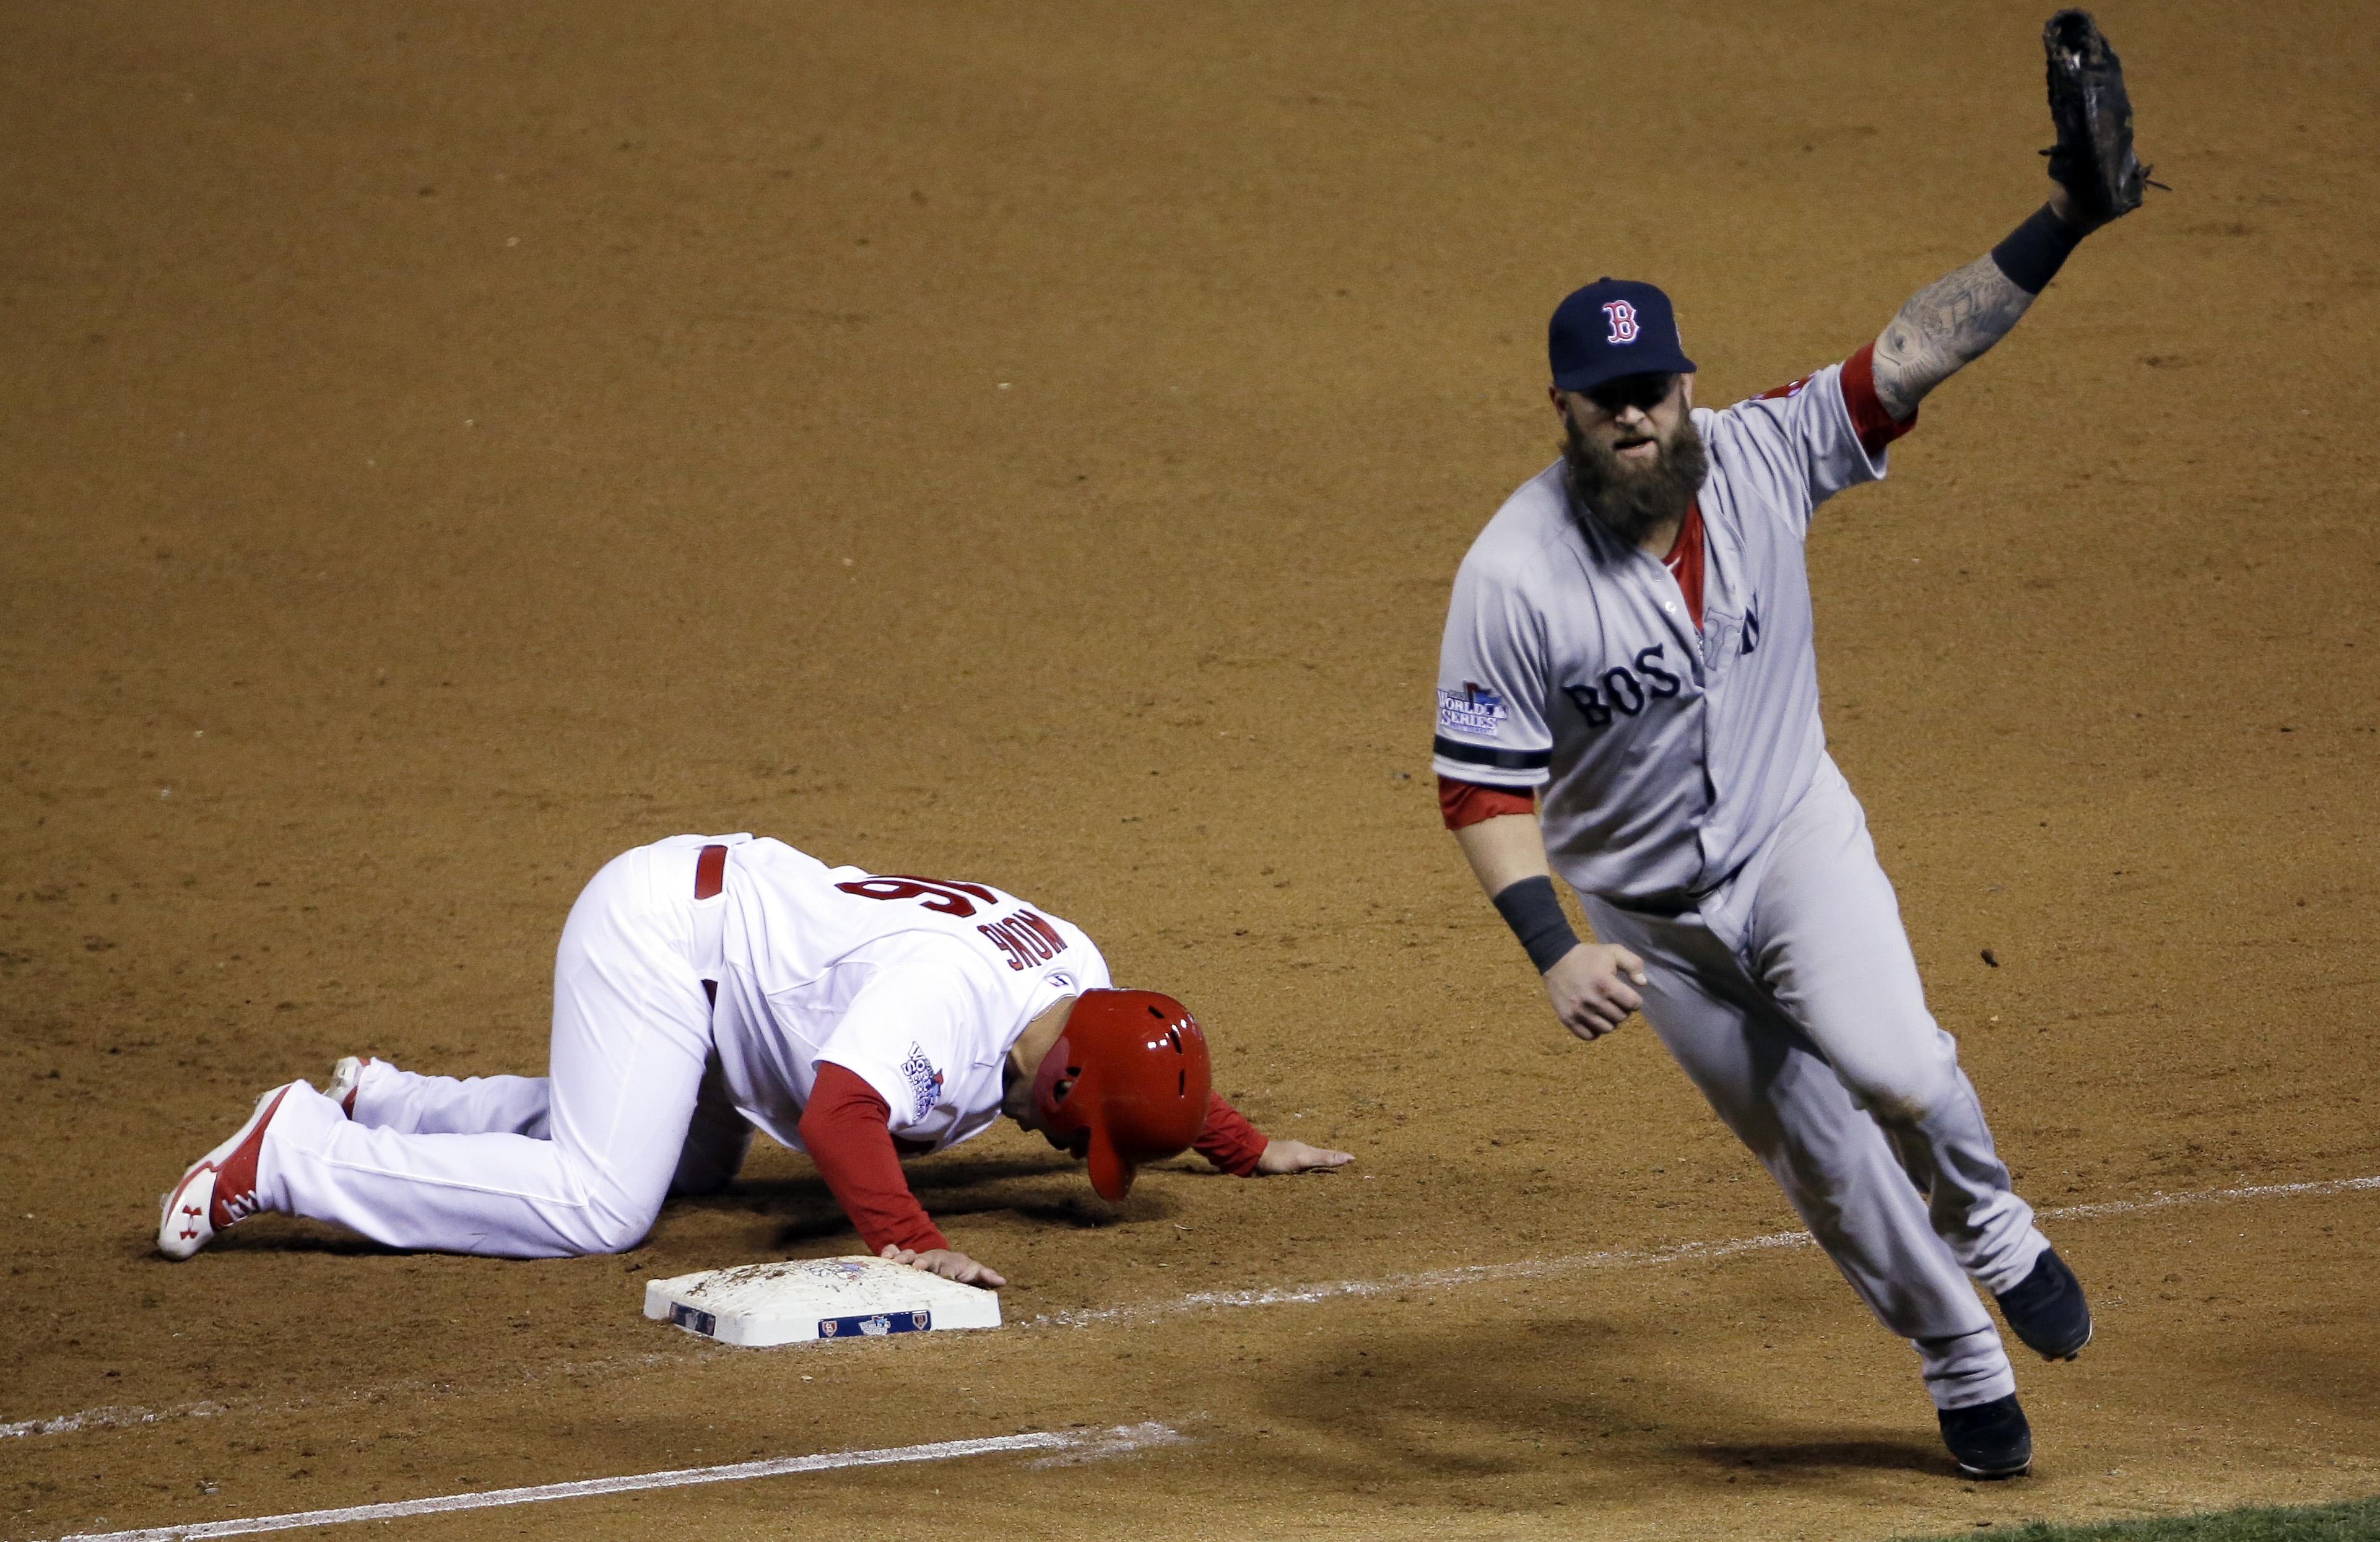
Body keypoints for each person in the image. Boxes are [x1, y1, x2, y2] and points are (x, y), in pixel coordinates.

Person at [1431, 173, 2127, 1476]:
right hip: (1652, 924)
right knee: (1821, 1160)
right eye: (1604, 396)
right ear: (1561, 408)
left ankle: (1994, 1230)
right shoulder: (1510, 576)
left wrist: (2064, 225)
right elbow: (1479, 785)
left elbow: (1917, 349)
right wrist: (1554, 949)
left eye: (1650, 388)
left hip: (1794, 845)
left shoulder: (1761, 455)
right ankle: (1960, 1361)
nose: (1632, 414)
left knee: (1899, 1072)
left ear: (1685, 387)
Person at [159, 834, 1349, 1284]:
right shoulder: (948, 1002)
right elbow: (838, 1117)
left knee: (689, 1161)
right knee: (601, 1205)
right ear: (1066, 1081)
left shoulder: (1079, 985)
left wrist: (1240, 1144)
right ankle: (296, 1154)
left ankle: (392, 1105)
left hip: (726, 965)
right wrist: (911, 1242)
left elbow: (1141, 1061)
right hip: (664, 942)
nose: (1064, 1148)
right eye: (1080, 1136)